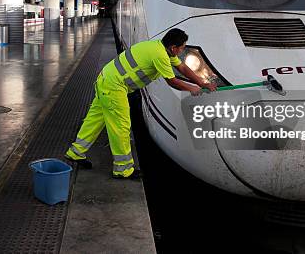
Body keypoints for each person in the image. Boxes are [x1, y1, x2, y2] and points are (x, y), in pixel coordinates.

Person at [64, 28, 217, 179]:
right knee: (121, 127)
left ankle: (75, 152)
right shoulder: (160, 55)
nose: (182, 51)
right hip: (114, 87)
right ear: (173, 48)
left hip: (106, 80)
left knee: (94, 120)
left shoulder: (158, 47)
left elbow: (182, 67)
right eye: (182, 48)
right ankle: (123, 170)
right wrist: (192, 88)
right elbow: (172, 81)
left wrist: (203, 83)